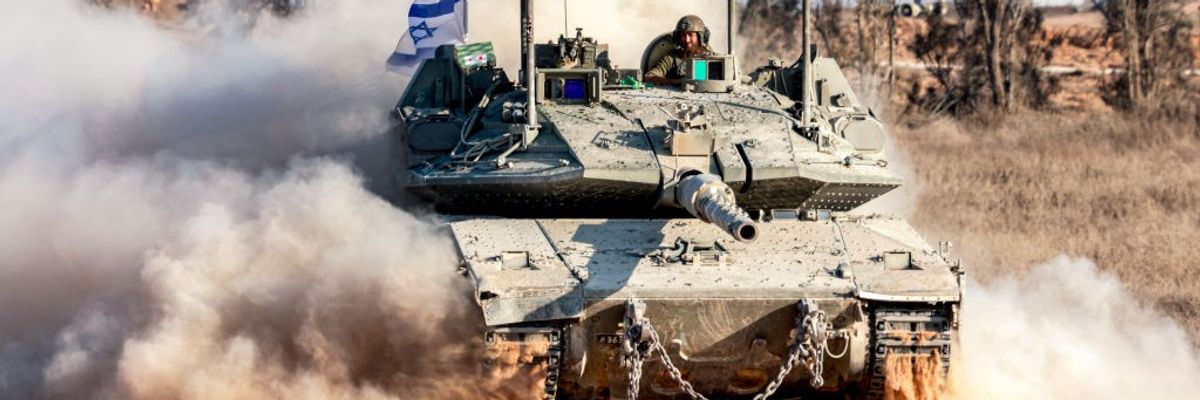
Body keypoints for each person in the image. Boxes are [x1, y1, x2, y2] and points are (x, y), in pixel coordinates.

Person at [645, 15, 714, 86]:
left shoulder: (712, 59)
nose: (687, 40)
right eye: (683, 35)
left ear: (701, 37)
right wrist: (677, 81)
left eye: (690, 35)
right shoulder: (672, 58)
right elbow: (649, 77)